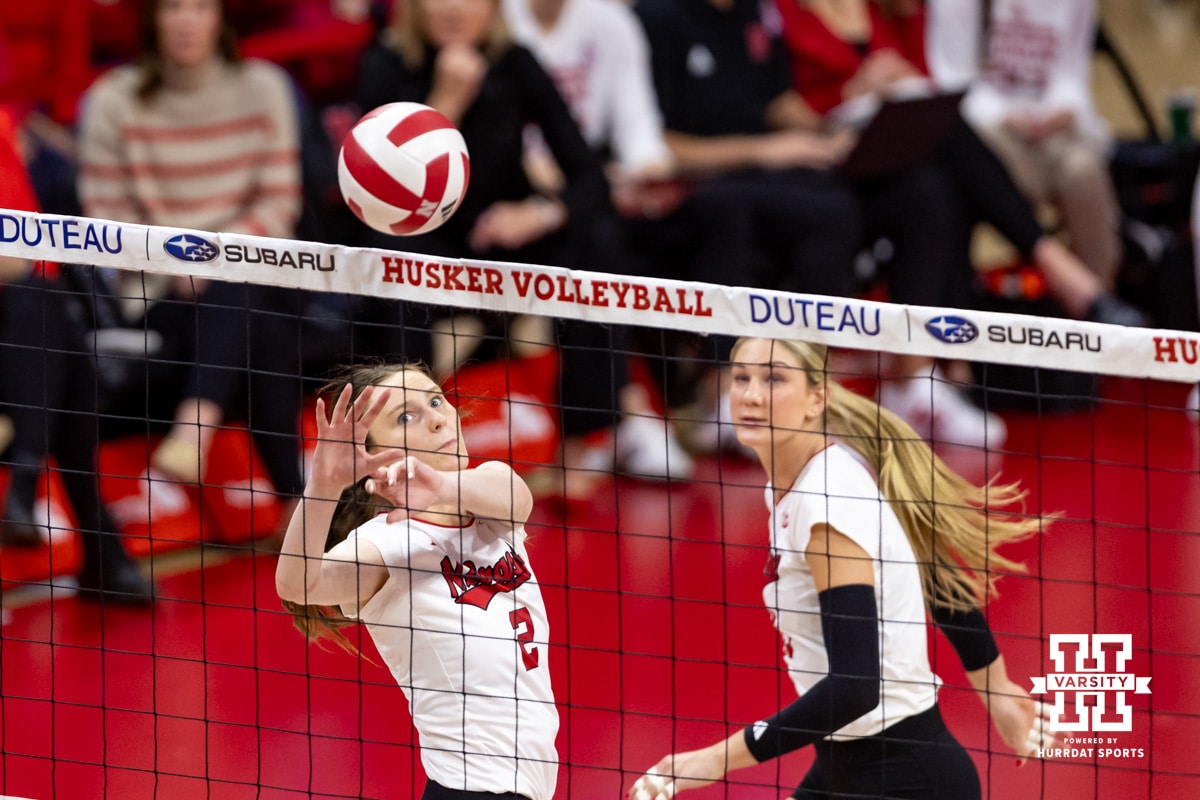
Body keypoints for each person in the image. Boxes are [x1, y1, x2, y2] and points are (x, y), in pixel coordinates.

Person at [630, 337, 1060, 800]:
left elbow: (856, 687)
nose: (752, 395)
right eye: (742, 378)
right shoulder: (800, 481)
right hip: (845, 770)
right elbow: (934, 576)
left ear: (818, 398)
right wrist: (998, 694)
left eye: (774, 379)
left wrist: (713, 759)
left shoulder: (826, 500)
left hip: (906, 780)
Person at [771, 0, 1146, 443]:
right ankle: (1060, 269)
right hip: (825, 155)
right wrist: (848, 98)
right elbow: (773, 105)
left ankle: (913, 383)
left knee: (933, 189)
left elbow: (926, 75)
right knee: (950, 144)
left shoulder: (882, 9)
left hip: (889, 154)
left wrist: (900, 81)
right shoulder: (781, 12)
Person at [354, 0, 632, 499]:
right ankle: (414, 459)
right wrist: (446, 102)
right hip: (425, 248)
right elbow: (381, 189)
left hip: (506, 243)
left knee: (599, 242)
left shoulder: (515, 62)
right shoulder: (385, 64)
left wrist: (539, 214)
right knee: (389, 262)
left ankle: (582, 438)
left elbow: (590, 176)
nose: (455, 8)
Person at [275, 362, 558, 800]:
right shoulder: (386, 542)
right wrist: (324, 487)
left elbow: (517, 497)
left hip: (526, 783)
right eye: (406, 417)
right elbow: (299, 586)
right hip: (472, 785)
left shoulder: (490, 499)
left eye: (435, 400)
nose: (439, 418)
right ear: (370, 455)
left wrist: (438, 486)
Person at [77, 0, 306, 501]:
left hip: (253, 268)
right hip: (160, 292)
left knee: (247, 295)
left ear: (221, 16)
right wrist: (179, 259)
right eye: (172, 7)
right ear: (151, 19)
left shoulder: (263, 87)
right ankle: (298, 501)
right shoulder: (112, 100)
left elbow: (279, 202)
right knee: (257, 316)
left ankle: (192, 434)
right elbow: (107, 222)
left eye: (198, 6)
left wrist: (214, 257)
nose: (185, 20)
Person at [631, 0, 864, 451]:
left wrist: (833, 129)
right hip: (683, 187)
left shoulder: (756, 15)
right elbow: (657, 145)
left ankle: (807, 384)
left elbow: (777, 101)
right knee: (728, 209)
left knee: (835, 205)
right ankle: (723, 393)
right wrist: (764, 150)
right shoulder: (657, 20)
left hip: (758, 175)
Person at [501, 0, 693, 479]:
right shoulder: (497, 23)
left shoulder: (612, 22)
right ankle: (623, 413)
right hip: (517, 199)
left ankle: (684, 402)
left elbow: (639, 128)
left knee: (708, 218)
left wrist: (645, 173)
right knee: (599, 242)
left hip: (591, 187)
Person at [0, 107, 155, 602]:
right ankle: (102, 553)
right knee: (40, 315)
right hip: (19, 304)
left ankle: (25, 491)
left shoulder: (5, 118)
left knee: (62, 359)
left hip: (31, 312)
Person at [925, 0, 1122, 287]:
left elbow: (1072, 72)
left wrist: (1062, 109)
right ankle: (1053, 270)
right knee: (982, 167)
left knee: (1083, 172)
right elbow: (951, 78)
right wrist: (1007, 116)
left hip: (1051, 126)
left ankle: (1099, 301)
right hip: (985, 124)